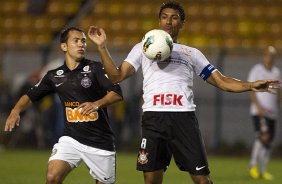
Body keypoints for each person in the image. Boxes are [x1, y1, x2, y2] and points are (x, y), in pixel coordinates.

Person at [88, 1, 280, 184]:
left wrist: (251, 85)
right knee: (151, 180)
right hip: (153, 119)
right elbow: (116, 76)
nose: (168, 22)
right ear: (159, 21)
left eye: (174, 18)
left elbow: (222, 81)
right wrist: (102, 47)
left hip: (183, 119)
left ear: (182, 23)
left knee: (201, 179)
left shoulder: (191, 53)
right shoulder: (143, 48)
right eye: (164, 17)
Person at [4, 27, 123, 184]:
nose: (81, 44)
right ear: (64, 46)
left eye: (83, 41)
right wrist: (16, 110)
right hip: (71, 139)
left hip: (99, 142)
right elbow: (30, 95)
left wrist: (97, 104)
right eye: (76, 40)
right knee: (52, 177)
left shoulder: (95, 68)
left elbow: (117, 93)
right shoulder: (54, 76)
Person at [247, 46, 281, 180]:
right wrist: (258, 106)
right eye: (267, 55)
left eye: (272, 55)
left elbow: (279, 91)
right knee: (262, 137)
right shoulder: (257, 70)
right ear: (264, 55)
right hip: (259, 111)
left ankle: (263, 170)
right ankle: (253, 165)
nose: (269, 57)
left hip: (273, 112)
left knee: (269, 141)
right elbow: (250, 89)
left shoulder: (276, 72)